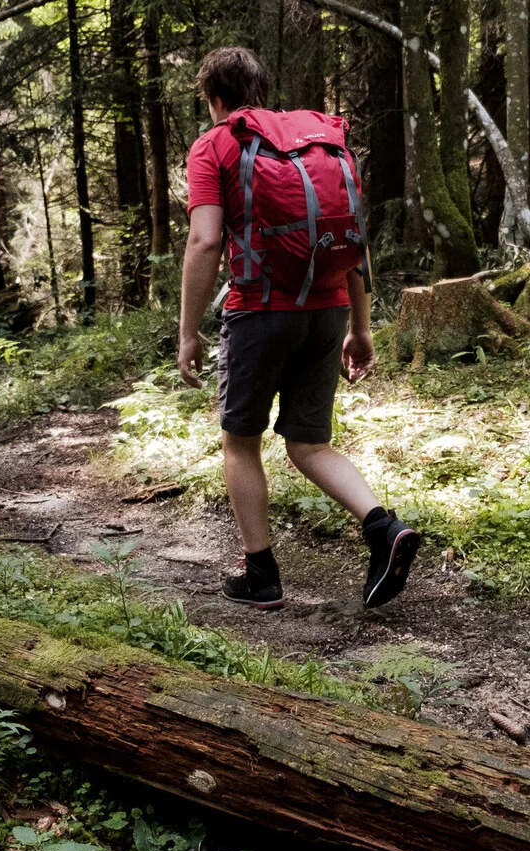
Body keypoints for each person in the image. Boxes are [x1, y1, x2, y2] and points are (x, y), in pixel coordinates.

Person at [176, 47, 421, 611]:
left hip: (259, 311)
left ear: (213, 98)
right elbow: (350, 239)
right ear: (261, 91)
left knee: (241, 441)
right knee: (310, 443)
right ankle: (383, 527)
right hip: (328, 308)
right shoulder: (320, 142)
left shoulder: (214, 145)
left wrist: (188, 331)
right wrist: (361, 327)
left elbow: (205, 240)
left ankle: (259, 573)